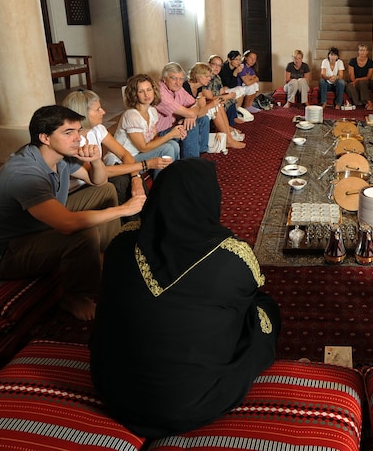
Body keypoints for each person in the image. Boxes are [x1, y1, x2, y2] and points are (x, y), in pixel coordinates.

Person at [91, 158, 280, 437]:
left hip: (114, 391)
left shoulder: (121, 243)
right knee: (262, 312)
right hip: (189, 403)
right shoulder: (230, 257)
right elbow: (250, 295)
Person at [0, 105, 146, 321]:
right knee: (83, 235)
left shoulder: (62, 157)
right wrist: (124, 209)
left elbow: (98, 180)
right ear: (45, 138)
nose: (78, 138)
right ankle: (75, 296)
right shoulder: (24, 173)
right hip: (6, 253)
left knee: (106, 190)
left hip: (38, 227)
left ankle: (106, 256)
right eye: (68, 132)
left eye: (78, 130)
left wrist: (95, 160)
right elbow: (67, 224)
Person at [62, 89, 170, 203]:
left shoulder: (98, 129)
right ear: (82, 114)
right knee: (120, 182)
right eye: (97, 109)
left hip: (98, 180)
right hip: (79, 189)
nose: (103, 112)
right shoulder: (73, 141)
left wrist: (136, 178)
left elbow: (124, 154)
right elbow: (98, 175)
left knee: (132, 177)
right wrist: (145, 165)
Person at [112, 74, 184, 169]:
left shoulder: (151, 111)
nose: (147, 95)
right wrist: (170, 135)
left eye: (149, 90)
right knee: (167, 148)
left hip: (139, 154)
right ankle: (164, 181)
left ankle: (173, 175)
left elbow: (154, 139)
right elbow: (143, 147)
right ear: (134, 94)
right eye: (141, 91)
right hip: (124, 160)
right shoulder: (131, 115)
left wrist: (176, 132)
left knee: (173, 144)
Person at [155, 62, 212, 159]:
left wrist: (194, 109)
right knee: (190, 126)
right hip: (160, 134)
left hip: (175, 125)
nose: (178, 82)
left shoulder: (178, 88)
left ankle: (202, 154)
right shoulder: (161, 93)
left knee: (204, 119)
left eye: (181, 79)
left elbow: (201, 109)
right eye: (173, 78)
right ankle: (191, 164)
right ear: (164, 79)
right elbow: (195, 108)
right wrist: (193, 110)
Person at [186, 62, 246, 149]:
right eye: (207, 77)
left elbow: (202, 103)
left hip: (197, 112)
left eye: (209, 76)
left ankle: (228, 137)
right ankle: (229, 139)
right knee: (215, 105)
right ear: (197, 76)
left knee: (218, 105)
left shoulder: (199, 87)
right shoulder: (186, 87)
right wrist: (210, 104)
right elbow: (197, 105)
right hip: (189, 116)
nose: (209, 79)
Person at [206, 54, 242, 129]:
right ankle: (226, 127)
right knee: (222, 102)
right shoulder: (206, 78)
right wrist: (226, 96)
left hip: (217, 97)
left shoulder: (217, 77)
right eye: (214, 64)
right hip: (209, 102)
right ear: (209, 64)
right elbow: (209, 99)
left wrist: (228, 96)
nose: (216, 67)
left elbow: (222, 91)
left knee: (231, 99)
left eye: (219, 65)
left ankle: (231, 121)